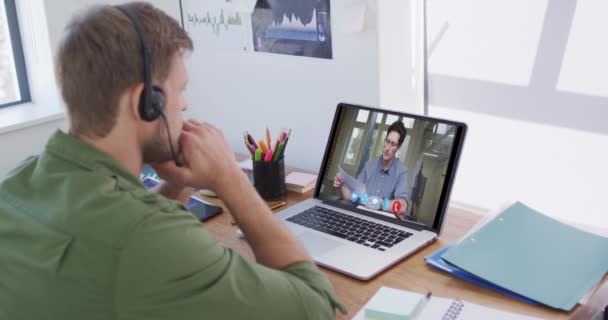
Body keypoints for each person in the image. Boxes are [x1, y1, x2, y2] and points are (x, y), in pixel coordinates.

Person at [0, 3, 345, 319]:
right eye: (180, 90)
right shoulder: (151, 241)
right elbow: (315, 306)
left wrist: (179, 183)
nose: (183, 106)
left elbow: (114, 233)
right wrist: (230, 178)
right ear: (145, 103)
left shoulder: (17, 186)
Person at [334, 121, 409, 219]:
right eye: (387, 141)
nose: (387, 148)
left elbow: (403, 206)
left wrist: (382, 204)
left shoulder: (401, 171)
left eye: (393, 144)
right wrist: (341, 185)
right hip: (361, 217)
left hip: (383, 223)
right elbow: (353, 196)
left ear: (398, 147)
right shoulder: (370, 165)